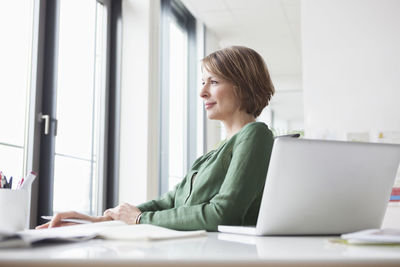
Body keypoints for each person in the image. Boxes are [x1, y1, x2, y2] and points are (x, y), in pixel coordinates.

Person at [37, 46, 275, 231]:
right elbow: (171, 201)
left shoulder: (255, 134)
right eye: (203, 82)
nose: (202, 92)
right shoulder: (216, 152)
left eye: (213, 82)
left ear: (243, 86)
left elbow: (222, 213)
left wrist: (140, 219)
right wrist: (105, 219)